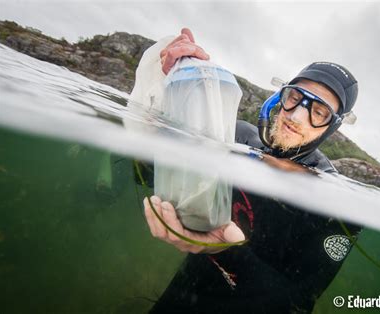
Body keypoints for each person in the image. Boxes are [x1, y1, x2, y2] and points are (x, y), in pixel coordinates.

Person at [143, 28, 362, 313]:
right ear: (280, 96)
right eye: (295, 97)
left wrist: (226, 251)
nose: (296, 116)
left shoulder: (337, 205)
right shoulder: (236, 137)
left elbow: (294, 305)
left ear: (332, 127)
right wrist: (173, 90)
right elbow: (147, 175)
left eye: (318, 112)